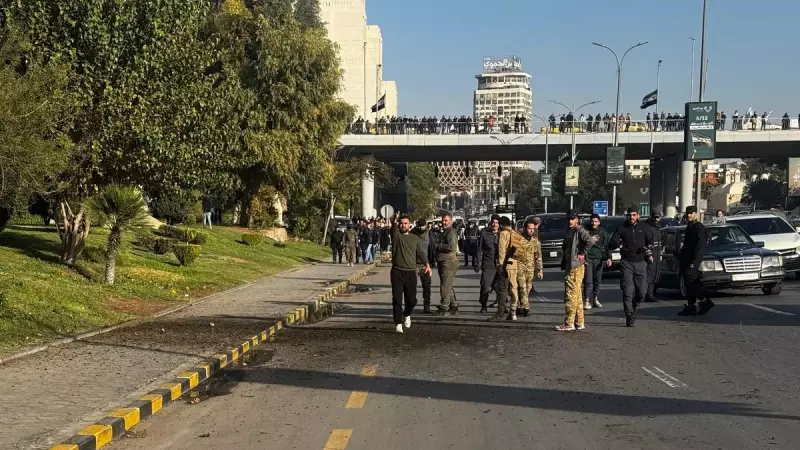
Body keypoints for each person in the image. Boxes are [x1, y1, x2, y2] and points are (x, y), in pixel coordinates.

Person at [609, 206, 654, 327]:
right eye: (629, 215)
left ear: (638, 216)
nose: (631, 217)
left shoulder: (644, 227)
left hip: (641, 262)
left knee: (642, 292)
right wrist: (616, 243)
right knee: (628, 290)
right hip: (626, 262)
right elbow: (611, 243)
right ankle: (629, 315)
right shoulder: (621, 227)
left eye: (634, 215)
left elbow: (650, 241)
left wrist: (648, 249)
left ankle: (634, 306)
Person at [390, 214, 432, 333]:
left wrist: (427, 265)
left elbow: (421, 253)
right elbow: (393, 229)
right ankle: (398, 323)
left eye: (405, 223)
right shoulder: (396, 236)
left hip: (410, 273)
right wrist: (394, 221)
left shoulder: (415, 239)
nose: (403, 225)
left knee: (411, 300)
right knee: (397, 299)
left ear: (410, 225)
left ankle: (407, 314)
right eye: (401, 223)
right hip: (397, 271)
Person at [556, 210, 593, 332]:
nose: (570, 221)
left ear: (577, 219)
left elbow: (590, 241)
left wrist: (582, 252)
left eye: (572, 219)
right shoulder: (571, 231)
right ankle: (579, 322)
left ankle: (569, 323)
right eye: (568, 219)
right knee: (576, 296)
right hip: (572, 266)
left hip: (575, 267)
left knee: (570, 295)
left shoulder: (579, 230)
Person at [678, 206, 714, 316]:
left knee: (692, 283)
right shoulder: (690, 226)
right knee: (690, 284)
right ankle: (691, 306)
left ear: (696, 214)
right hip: (686, 259)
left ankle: (706, 302)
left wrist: (695, 262)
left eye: (691, 213)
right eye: (687, 213)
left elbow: (699, 247)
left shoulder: (699, 227)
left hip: (693, 261)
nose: (689, 215)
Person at [494, 216, 525, 321]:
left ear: (501, 225)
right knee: (514, 287)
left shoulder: (504, 234)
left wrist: (500, 264)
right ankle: (513, 312)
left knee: (502, 288)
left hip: (506, 263)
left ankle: (500, 313)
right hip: (515, 263)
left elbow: (501, 249)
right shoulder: (515, 233)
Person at [516, 219, 543, 317]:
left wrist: (540, 270)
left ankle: (519, 306)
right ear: (524, 228)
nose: (531, 230)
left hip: (530, 268)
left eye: (533, 229)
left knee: (527, 288)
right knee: (522, 287)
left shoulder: (535, 241)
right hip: (520, 266)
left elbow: (538, 256)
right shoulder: (519, 239)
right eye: (529, 228)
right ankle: (526, 308)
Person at [583, 214, 611, 310]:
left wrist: (609, 257)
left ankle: (595, 299)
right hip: (588, 259)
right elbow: (581, 244)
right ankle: (587, 300)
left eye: (596, 221)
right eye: (592, 221)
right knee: (588, 281)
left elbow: (607, 246)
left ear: (599, 222)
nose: (594, 223)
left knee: (597, 281)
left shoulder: (602, 232)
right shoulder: (586, 231)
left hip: (598, 260)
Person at [475, 215, 502, 314]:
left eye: (497, 222)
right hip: (488, 264)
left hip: (500, 265)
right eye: (493, 222)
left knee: (500, 288)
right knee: (485, 286)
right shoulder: (485, 234)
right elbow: (479, 249)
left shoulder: (503, 234)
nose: (495, 224)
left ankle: (502, 306)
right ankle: (483, 305)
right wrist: (477, 263)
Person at [435, 212, 460, 316]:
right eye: (443, 220)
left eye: (446, 220)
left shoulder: (451, 232)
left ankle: (444, 307)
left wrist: (438, 246)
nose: (444, 222)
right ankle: (453, 306)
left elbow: (452, 247)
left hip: (448, 261)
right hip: (444, 260)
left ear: (451, 221)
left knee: (445, 286)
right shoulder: (445, 232)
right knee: (448, 285)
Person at [412, 218, 436, 314]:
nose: (421, 227)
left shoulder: (430, 234)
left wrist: (432, 261)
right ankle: (411, 303)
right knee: (411, 286)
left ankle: (427, 306)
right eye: (419, 225)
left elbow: (432, 247)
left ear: (426, 225)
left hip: (425, 264)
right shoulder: (412, 233)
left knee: (426, 286)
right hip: (413, 264)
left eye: (422, 226)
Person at [644, 210, 663, 303]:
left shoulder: (659, 227)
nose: (656, 219)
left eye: (657, 217)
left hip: (657, 254)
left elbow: (661, 242)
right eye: (654, 217)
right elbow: (645, 243)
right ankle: (648, 295)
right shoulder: (647, 227)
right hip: (651, 255)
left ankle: (651, 294)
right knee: (649, 275)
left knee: (655, 274)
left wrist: (661, 254)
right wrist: (649, 255)